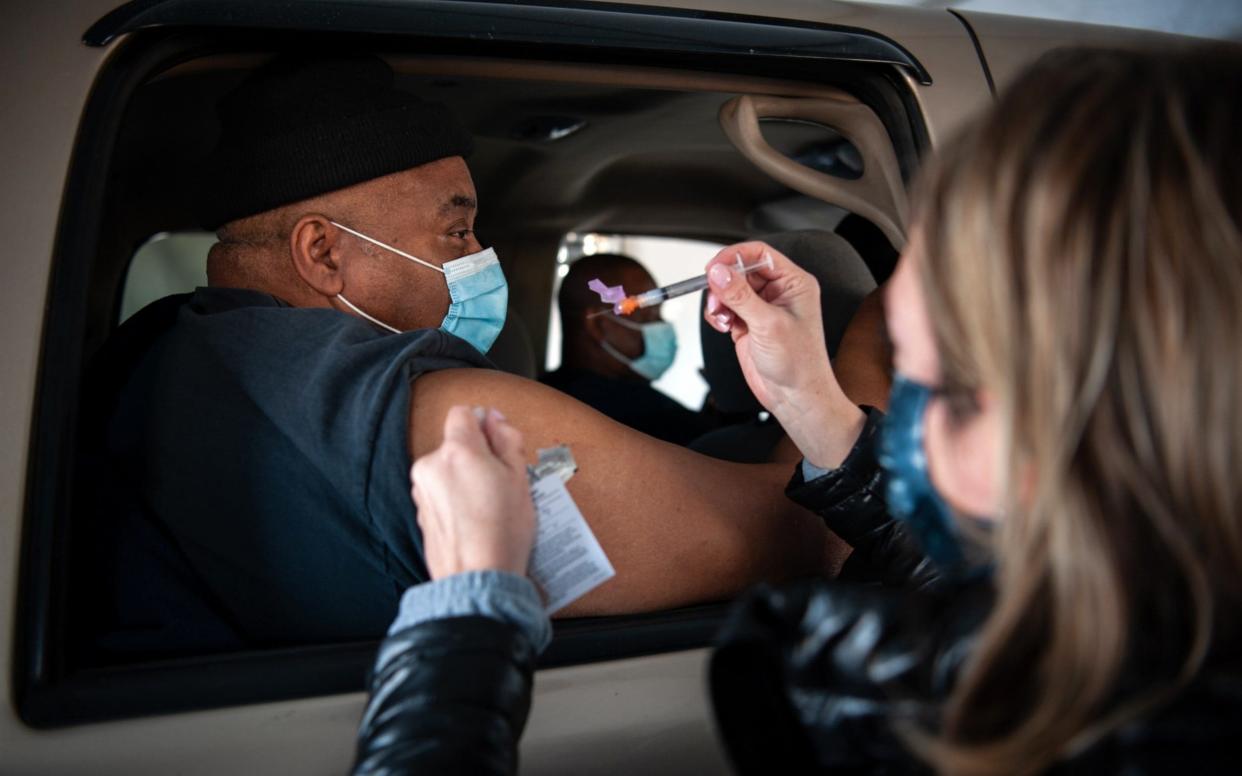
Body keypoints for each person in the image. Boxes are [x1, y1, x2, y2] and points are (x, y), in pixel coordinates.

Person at [352, 45, 1242, 774]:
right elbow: (992, 584)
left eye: (951, 396)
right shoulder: (1121, 651)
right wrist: (811, 400)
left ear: (1116, 432)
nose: (913, 437)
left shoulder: (983, 726)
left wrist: (468, 622)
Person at [78, 54, 856, 658]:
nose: (480, 258)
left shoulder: (157, 350)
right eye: (458, 233)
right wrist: (864, 345)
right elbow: (811, 536)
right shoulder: (454, 430)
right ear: (322, 253)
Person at [541, 253, 716, 444]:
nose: (662, 326)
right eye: (648, 317)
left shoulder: (543, 393)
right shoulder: (640, 414)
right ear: (599, 326)